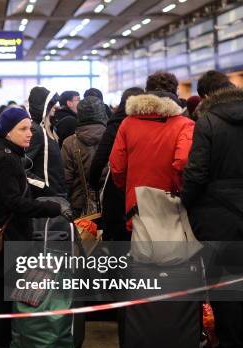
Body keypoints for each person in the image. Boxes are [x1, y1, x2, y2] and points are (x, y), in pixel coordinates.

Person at [0, 107, 70, 348]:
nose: (30, 133)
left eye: (30, 128)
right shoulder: (6, 159)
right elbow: (13, 203)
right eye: (23, 129)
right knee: (7, 295)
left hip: (2, 236)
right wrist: (49, 207)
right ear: (7, 131)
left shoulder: (3, 154)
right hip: (7, 238)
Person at [182, 70, 243, 348]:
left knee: (223, 285)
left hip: (217, 214)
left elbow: (197, 172)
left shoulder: (208, 121)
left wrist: (184, 200)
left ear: (208, 95)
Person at [109, 71, 194, 231]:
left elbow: (117, 166)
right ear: (175, 93)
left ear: (147, 92)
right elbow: (183, 162)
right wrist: (176, 190)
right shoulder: (185, 124)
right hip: (172, 204)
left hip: (137, 205)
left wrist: (129, 188)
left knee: (142, 251)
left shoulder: (127, 123)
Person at [89, 87, 144, 241]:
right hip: (143, 189)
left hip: (118, 189)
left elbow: (101, 158)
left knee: (117, 234)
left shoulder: (115, 124)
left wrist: (93, 183)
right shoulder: (149, 124)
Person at [61, 96, 108, 217]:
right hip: (110, 205)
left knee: (84, 236)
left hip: (80, 208)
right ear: (102, 114)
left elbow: (66, 181)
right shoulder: (114, 139)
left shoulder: (69, 143)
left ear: (80, 115)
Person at [26, 86, 66, 198]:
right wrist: (44, 187)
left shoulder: (51, 130)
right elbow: (22, 169)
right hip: (45, 198)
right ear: (43, 106)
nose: (55, 106)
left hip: (57, 195)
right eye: (50, 103)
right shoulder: (36, 131)